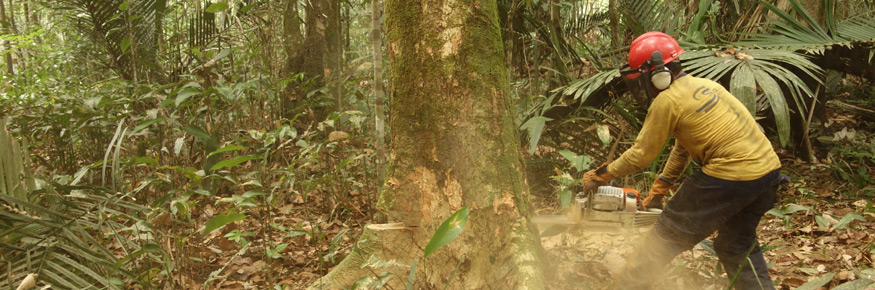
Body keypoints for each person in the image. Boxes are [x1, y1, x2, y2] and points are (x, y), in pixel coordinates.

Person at [581, 31, 788, 289]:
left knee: (664, 237)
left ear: (656, 74)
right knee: (736, 244)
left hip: (729, 176)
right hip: (767, 175)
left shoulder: (667, 100)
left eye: (640, 79)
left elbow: (640, 155)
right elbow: (682, 149)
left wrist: (601, 175)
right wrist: (659, 189)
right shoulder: (706, 86)